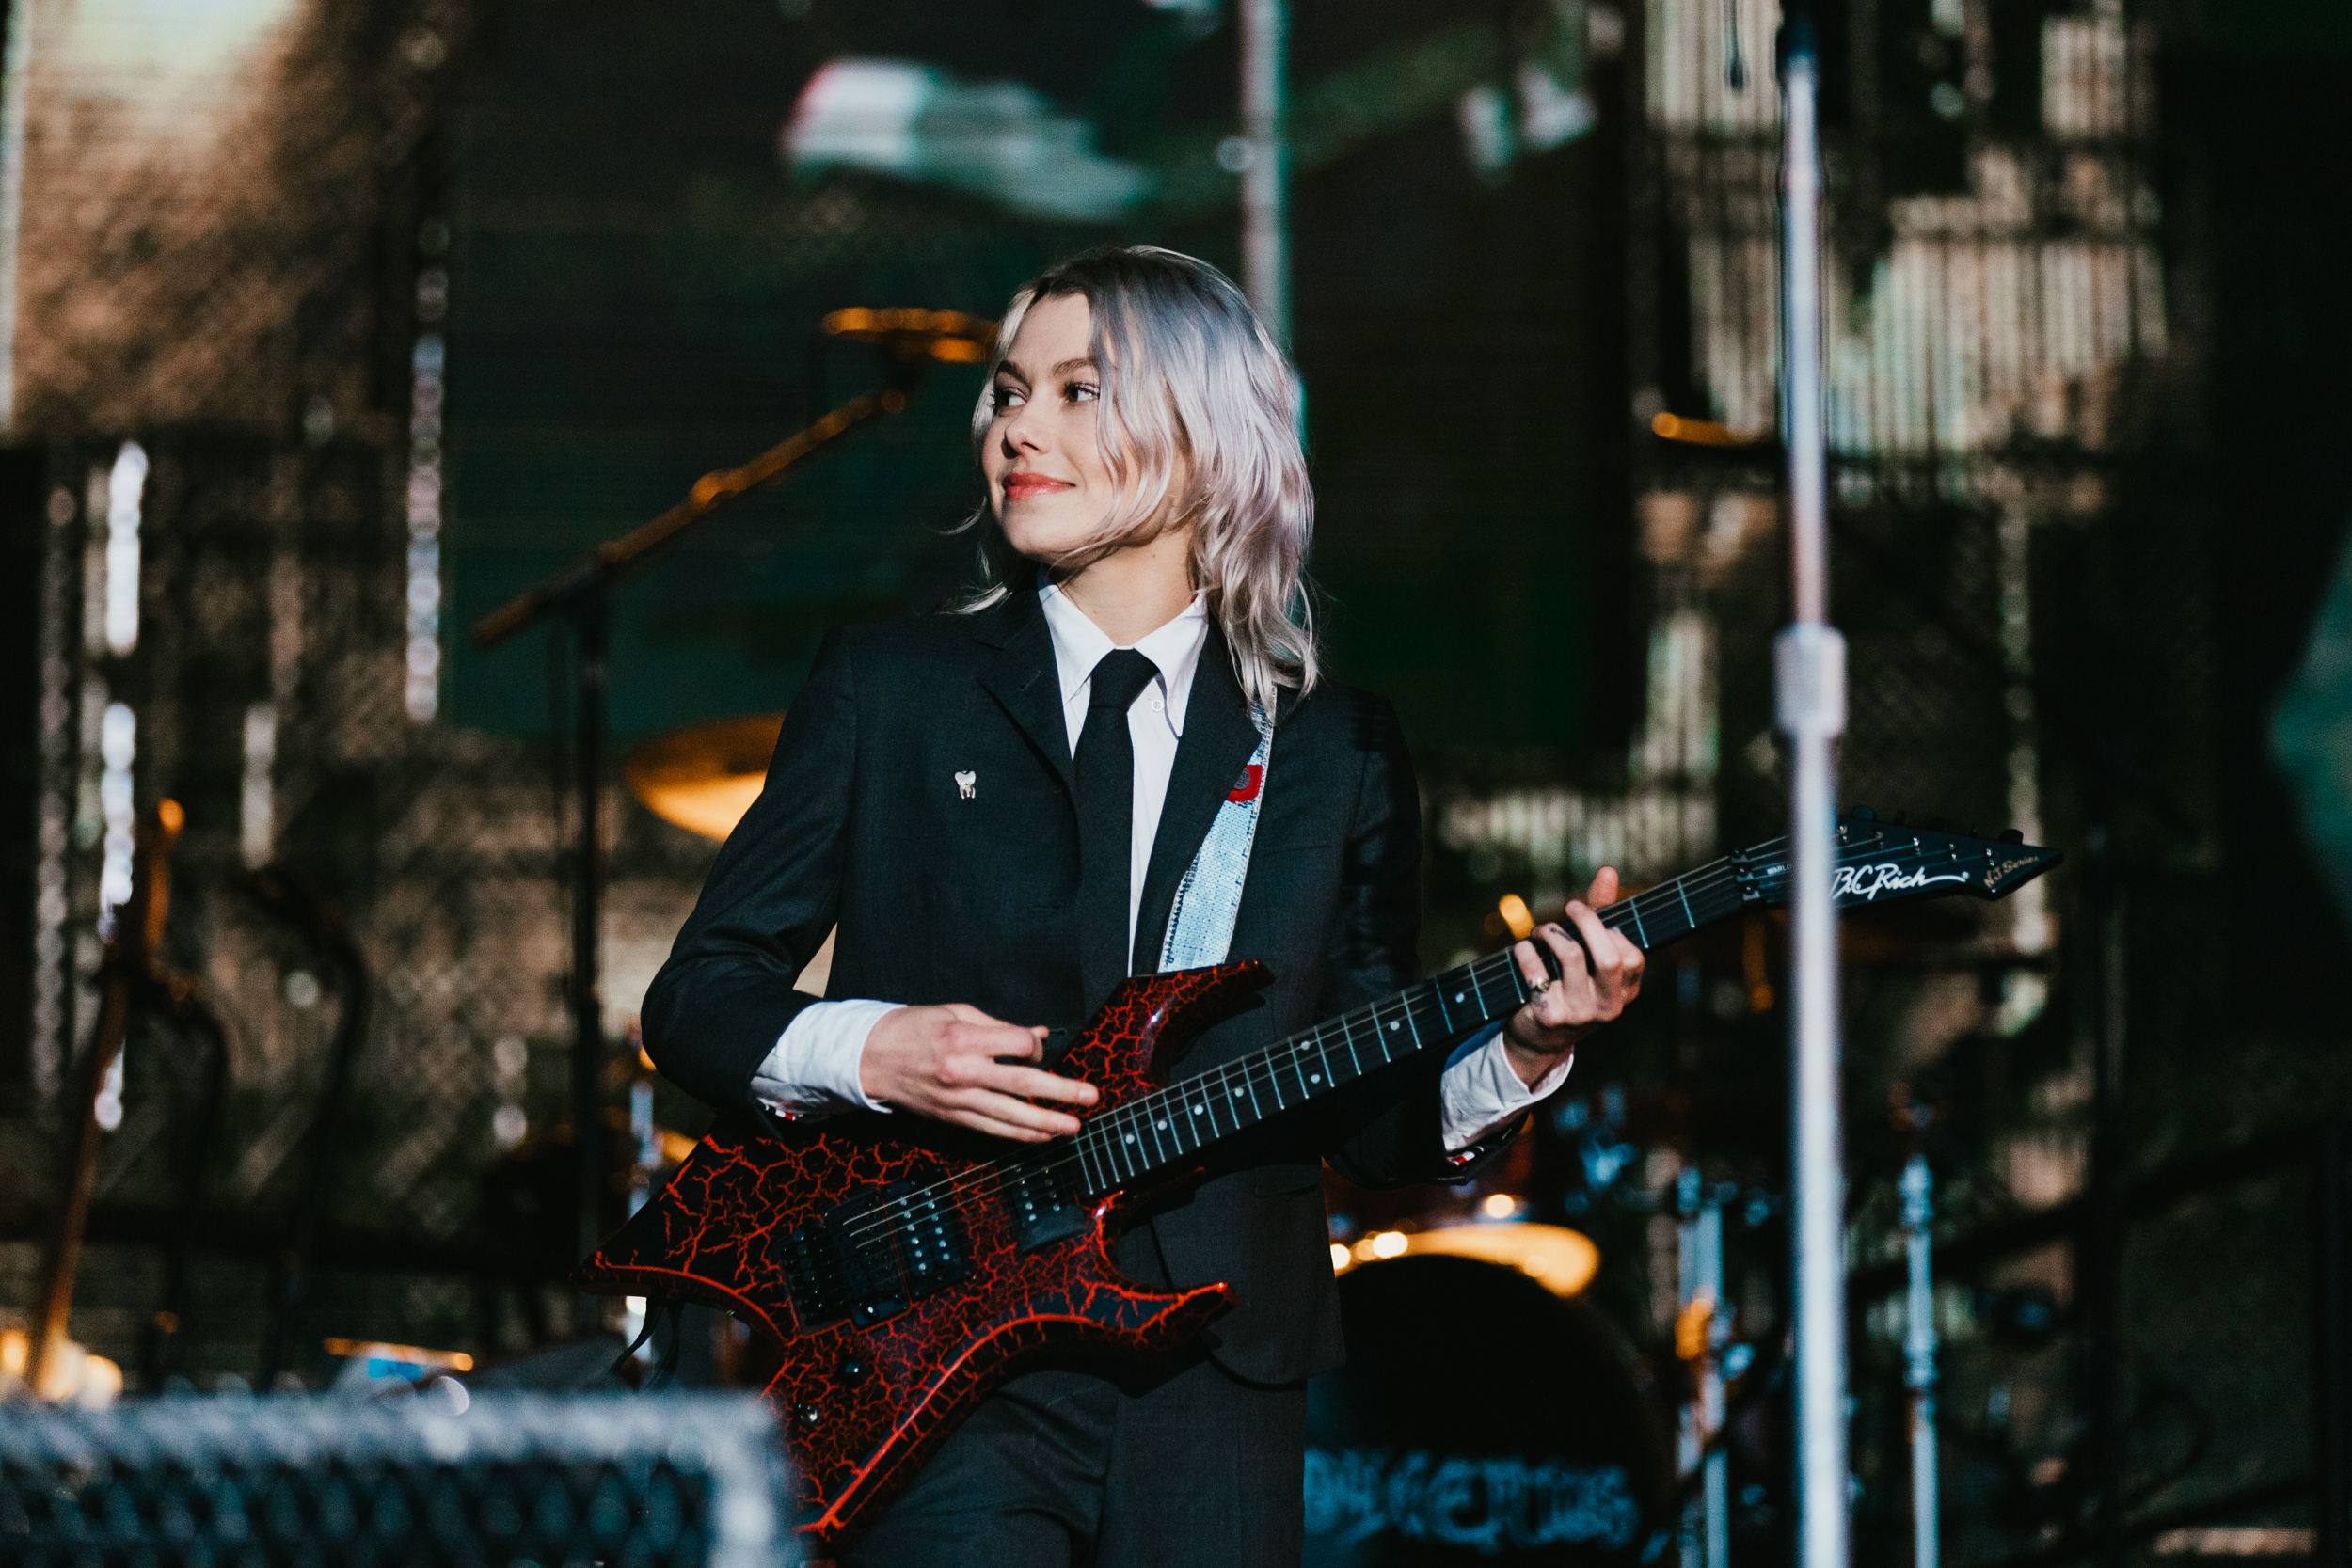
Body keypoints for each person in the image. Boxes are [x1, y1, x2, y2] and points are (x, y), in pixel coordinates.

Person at [642, 245, 1645, 1566]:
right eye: (1010, 393)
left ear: (1201, 433)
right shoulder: (892, 690)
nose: (1019, 429)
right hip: (937, 1362)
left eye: (1078, 391)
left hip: (1218, 1371)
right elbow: (697, 998)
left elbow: (1371, 1119)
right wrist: (876, 1049)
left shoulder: (1331, 751)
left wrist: (1525, 1045)